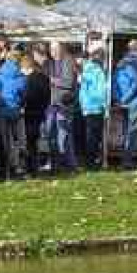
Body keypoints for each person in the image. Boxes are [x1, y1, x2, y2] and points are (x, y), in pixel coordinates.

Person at [0, 46, 27, 179]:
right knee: (16, 142)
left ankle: (4, 170)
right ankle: (16, 167)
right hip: (15, 111)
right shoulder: (21, 77)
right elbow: (23, 95)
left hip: (0, 112)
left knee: (4, 142)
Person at [112, 40, 137, 170]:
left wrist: (118, 98)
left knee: (126, 130)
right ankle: (127, 160)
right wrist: (126, 99)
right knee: (133, 131)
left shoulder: (120, 63)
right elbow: (136, 83)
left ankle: (126, 158)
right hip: (135, 101)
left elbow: (114, 82)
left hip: (123, 101)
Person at [47, 40, 80, 174]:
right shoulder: (52, 63)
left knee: (63, 135)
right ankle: (57, 164)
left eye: (54, 49)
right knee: (52, 134)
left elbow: (68, 82)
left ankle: (69, 164)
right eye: (51, 49)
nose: (52, 52)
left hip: (63, 104)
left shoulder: (68, 61)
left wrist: (52, 80)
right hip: (52, 103)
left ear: (61, 49)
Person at [79, 45, 108, 169]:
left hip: (86, 107)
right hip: (96, 107)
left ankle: (89, 161)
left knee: (89, 135)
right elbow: (101, 92)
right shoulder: (98, 71)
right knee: (94, 136)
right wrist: (103, 104)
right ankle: (92, 162)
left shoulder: (85, 70)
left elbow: (83, 90)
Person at [23, 48, 51, 174]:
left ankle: (31, 167)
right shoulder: (44, 78)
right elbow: (47, 96)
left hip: (29, 113)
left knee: (29, 142)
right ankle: (34, 166)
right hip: (40, 112)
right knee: (35, 141)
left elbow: (27, 97)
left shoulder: (27, 80)